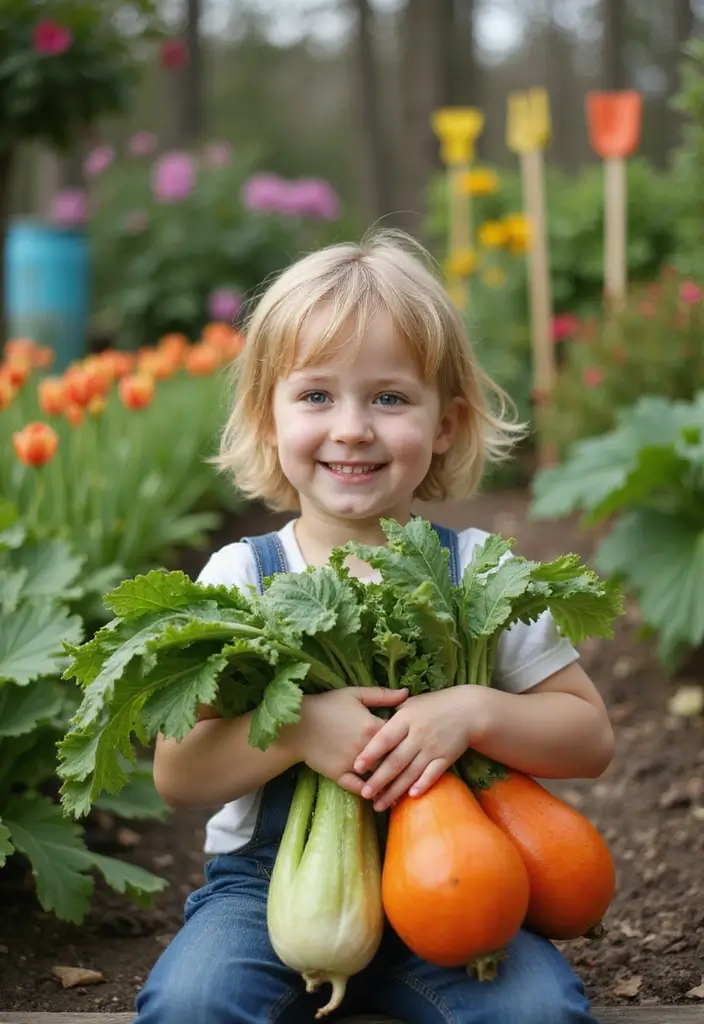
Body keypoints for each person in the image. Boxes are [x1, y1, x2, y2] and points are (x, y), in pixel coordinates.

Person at [134, 230, 614, 1024]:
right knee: (190, 1004)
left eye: (389, 398)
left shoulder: (480, 572)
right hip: (268, 890)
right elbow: (178, 774)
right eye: (316, 396)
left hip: (463, 884)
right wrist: (295, 731)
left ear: (446, 423)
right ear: (267, 417)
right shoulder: (242, 578)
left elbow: (589, 739)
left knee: (538, 1013)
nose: (353, 428)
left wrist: (474, 711)